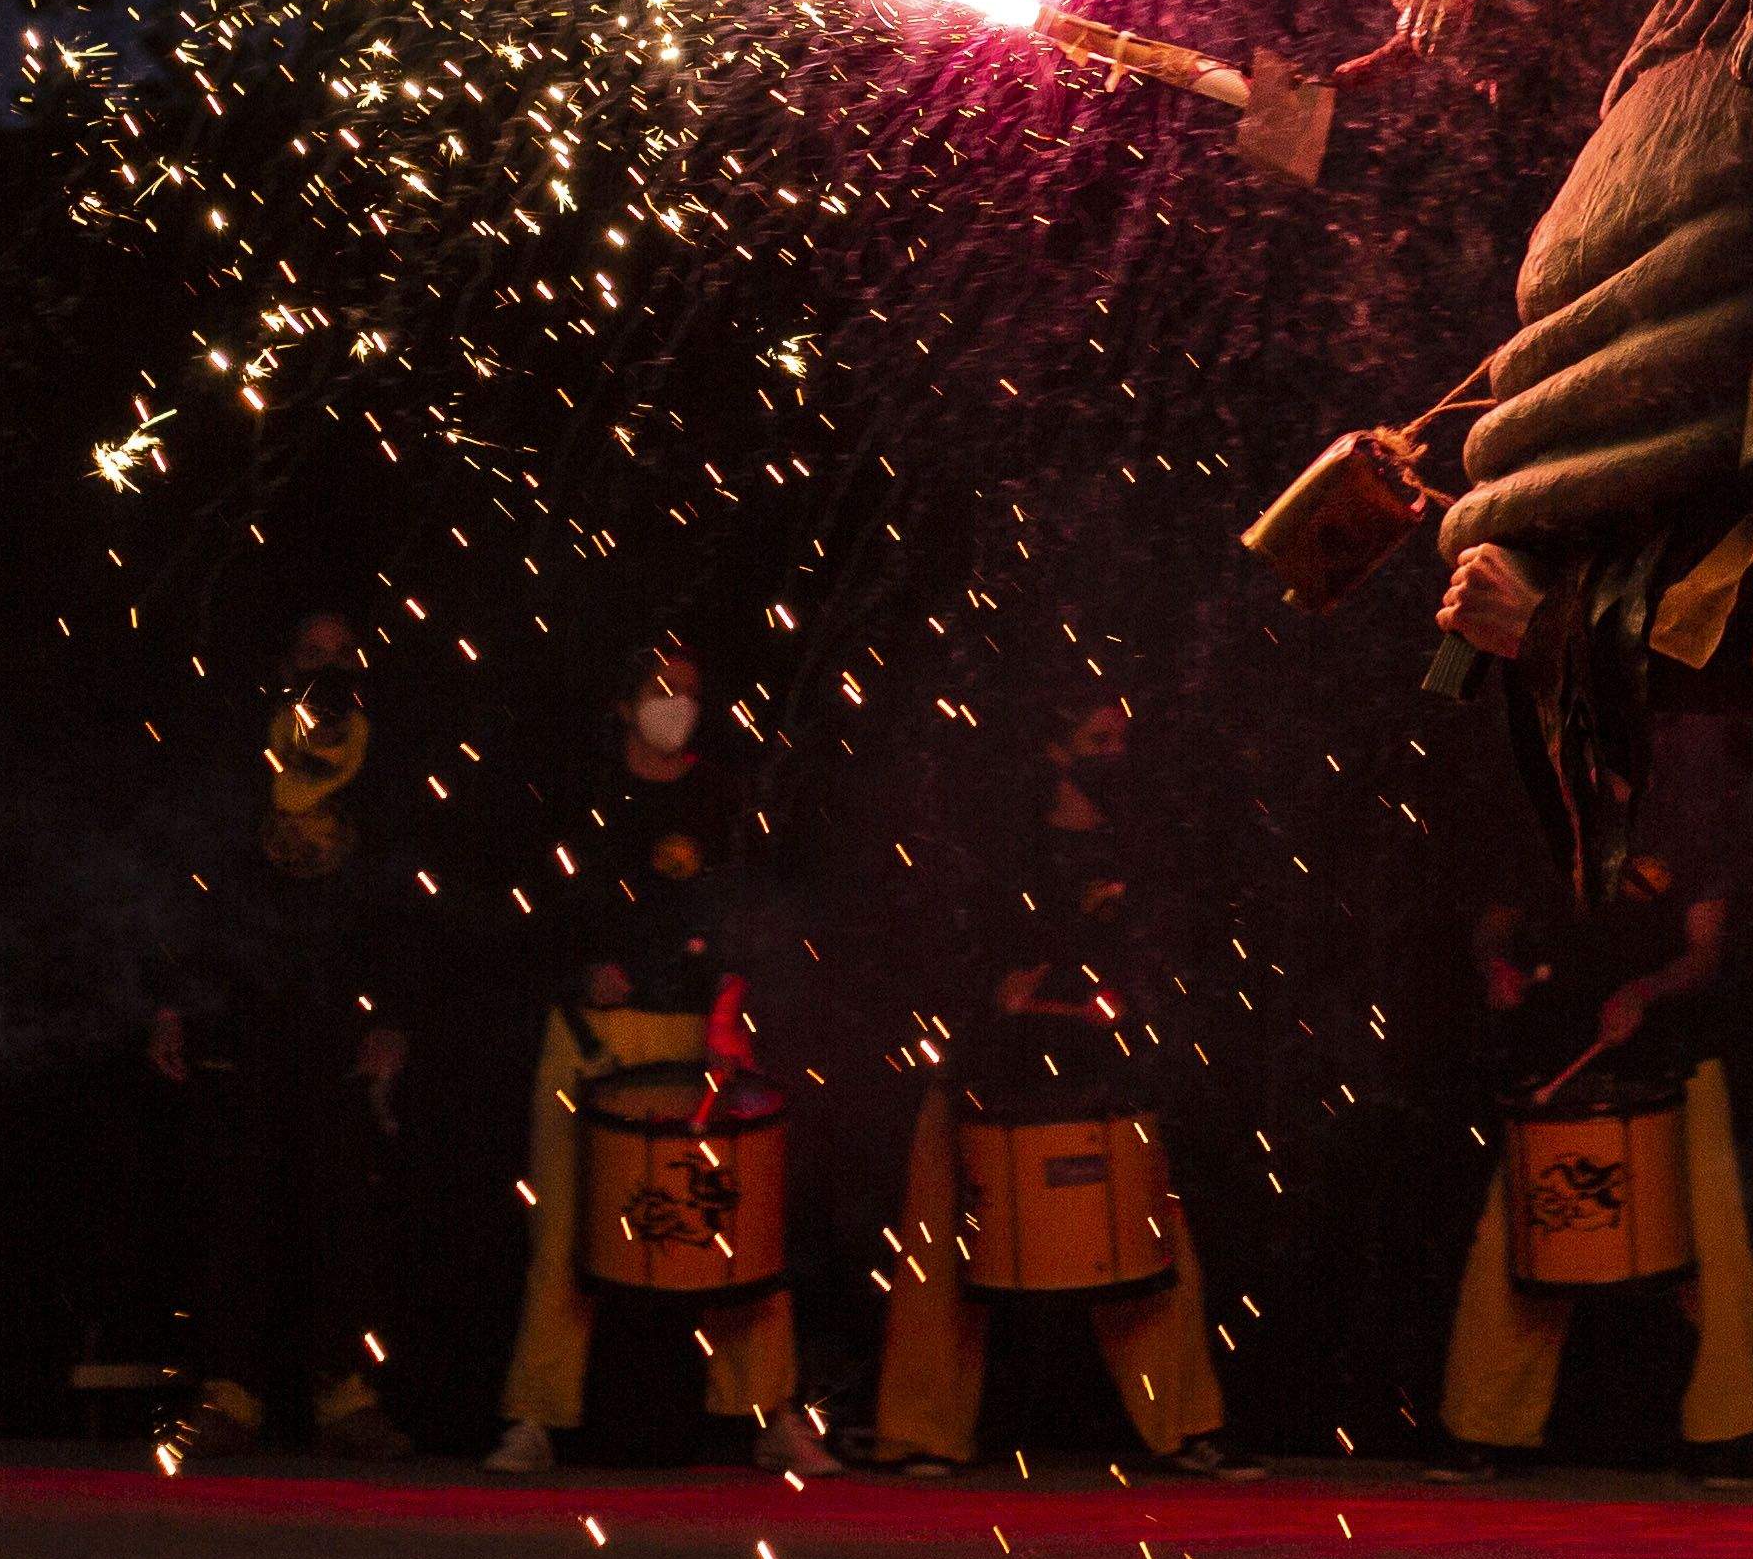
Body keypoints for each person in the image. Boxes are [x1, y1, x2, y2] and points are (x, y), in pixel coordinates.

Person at [867, 692, 1256, 1477]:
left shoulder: (1138, 846)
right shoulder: (1003, 848)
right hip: (993, 1069)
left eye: (1121, 741)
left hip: (1098, 1072)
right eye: (1096, 740)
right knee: (942, 1252)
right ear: (1054, 750)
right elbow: (956, 948)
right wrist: (1003, 983)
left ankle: (1184, 1425)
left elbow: (1166, 954)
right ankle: (921, 1432)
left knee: (1150, 1248)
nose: (1114, 756)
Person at [492, 636, 822, 1474]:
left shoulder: (724, 798)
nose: (678, 706)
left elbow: (757, 915)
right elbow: (536, 910)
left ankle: (769, 1410)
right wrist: (580, 972)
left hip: (700, 1031)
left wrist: (731, 1008)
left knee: (739, 1226)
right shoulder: (584, 796)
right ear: (624, 701)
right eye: (661, 689)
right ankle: (537, 1415)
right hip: (596, 1036)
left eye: (690, 691)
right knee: (567, 1227)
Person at [1429, 709, 1753, 1486]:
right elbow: (1493, 926)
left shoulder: (1687, 823)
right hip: (1563, 1068)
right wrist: (1496, 966)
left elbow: (1706, 952)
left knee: (1712, 1249)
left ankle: (1734, 1432)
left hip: (1674, 1068)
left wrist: (1645, 992)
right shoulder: (1548, 825)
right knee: (1518, 1245)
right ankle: (1481, 1427)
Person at [150, 609, 421, 1464]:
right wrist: (175, 1002)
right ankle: (231, 1395)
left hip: (340, 1023)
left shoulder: (385, 772)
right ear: (283, 666)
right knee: (240, 1211)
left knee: (340, 1215)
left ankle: (344, 1397)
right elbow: (201, 885)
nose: (326, 670)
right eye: (311, 654)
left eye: (342, 656)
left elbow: (404, 904)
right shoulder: (245, 762)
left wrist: (392, 1018)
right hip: (247, 1015)